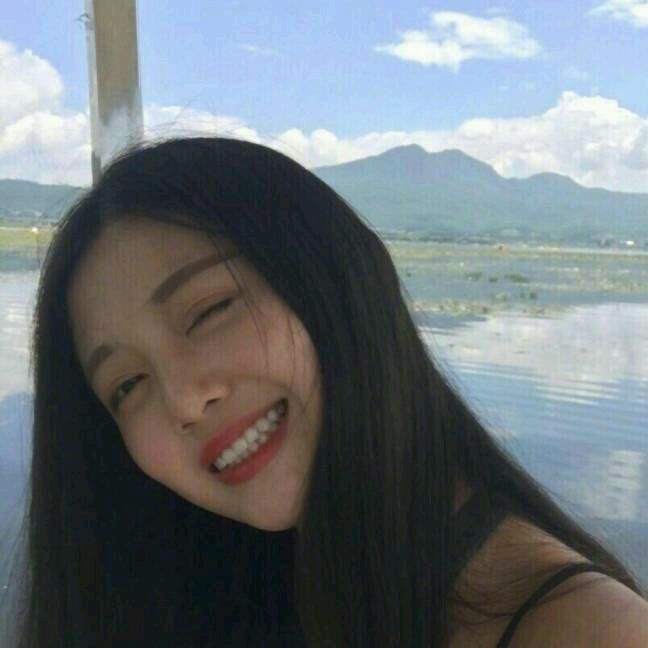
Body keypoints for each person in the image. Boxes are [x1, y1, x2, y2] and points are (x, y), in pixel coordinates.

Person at [2, 136, 647, 647]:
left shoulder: (589, 631)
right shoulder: (207, 584)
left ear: (338, 282)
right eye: (127, 384)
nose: (184, 399)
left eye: (209, 310)